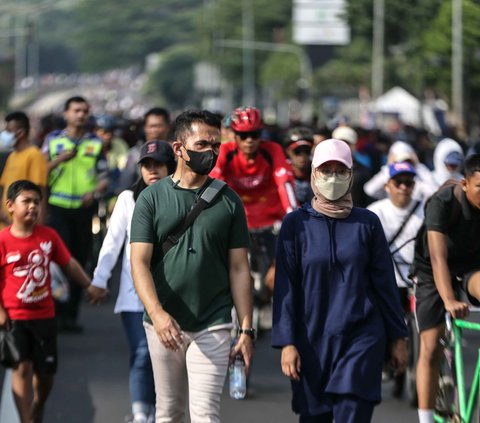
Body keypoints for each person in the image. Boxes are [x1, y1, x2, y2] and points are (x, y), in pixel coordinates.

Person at [272, 138, 408, 423]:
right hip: (310, 342)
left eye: (340, 170)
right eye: (326, 170)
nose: (333, 178)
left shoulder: (367, 223)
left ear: (350, 175)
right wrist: (287, 342)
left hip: (361, 339)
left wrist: (398, 337)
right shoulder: (295, 225)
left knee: (354, 413)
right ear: (313, 173)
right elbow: (286, 288)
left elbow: (385, 284)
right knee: (314, 416)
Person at [130, 110, 253, 423]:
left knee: (205, 415)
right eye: (202, 144)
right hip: (163, 324)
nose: (210, 152)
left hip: (213, 322)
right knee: (169, 412)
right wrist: (157, 315)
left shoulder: (229, 201)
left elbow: (239, 268)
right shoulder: (150, 199)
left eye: (216, 145)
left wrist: (247, 328)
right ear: (178, 149)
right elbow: (139, 263)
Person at [90, 140, 176, 423]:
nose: (152, 171)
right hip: (133, 294)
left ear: (170, 168)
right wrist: (100, 280)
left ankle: (160, 410)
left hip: (173, 294)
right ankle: (141, 412)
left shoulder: (184, 198)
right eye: (147, 165)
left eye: (158, 165)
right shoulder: (128, 199)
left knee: (165, 357)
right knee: (142, 352)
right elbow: (112, 243)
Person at [0, 180, 98, 423]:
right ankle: (26, 420)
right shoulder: (2, 240)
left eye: (36, 202)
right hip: (14, 318)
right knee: (21, 368)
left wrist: (90, 285)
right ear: (10, 206)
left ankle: (38, 405)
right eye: (26, 202)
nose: (32, 207)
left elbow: (69, 264)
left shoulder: (48, 236)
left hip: (44, 316)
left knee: (45, 376)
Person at [411, 154, 480, 423]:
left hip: (471, 265)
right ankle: (426, 418)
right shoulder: (443, 202)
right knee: (431, 344)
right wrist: (449, 300)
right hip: (431, 268)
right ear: (464, 184)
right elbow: (438, 258)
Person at [210, 107, 297, 318]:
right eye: (243, 135)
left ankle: (267, 300)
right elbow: (214, 186)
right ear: (234, 135)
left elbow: (284, 183)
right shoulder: (225, 152)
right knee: (231, 273)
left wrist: (292, 215)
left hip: (271, 220)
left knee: (276, 276)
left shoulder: (272, 150)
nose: (249, 140)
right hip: (239, 221)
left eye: (255, 135)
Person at [43, 96, 109, 333]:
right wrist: (59, 160)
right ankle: (56, 313)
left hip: (84, 209)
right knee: (60, 261)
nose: (80, 114)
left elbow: (104, 177)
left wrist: (95, 192)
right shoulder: (52, 141)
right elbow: (40, 170)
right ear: (66, 114)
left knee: (79, 260)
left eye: (84, 110)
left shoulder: (96, 144)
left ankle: (70, 316)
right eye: (76, 110)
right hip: (58, 207)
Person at [367, 161, 425, 397]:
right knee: (379, 322)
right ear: (388, 185)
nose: (404, 188)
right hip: (386, 282)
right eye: (398, 182)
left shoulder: (424, 210)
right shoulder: (374, 212)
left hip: (417, 280)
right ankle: (384, 361)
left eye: (409, 183)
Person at [0, 111, 48, 229]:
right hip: (6, 225)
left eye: (8, 131)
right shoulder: (12, 156)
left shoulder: (34, 155)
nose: (4, 135)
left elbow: (41, 191)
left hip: (24, 227)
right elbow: (5, 187)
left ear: (20, 133)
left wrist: (38, 226)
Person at [118, 107, 171, 192]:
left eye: (159, 126)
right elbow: (126, 181)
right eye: (151, 126)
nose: (155, 130)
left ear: (168, 127)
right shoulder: (135, 154)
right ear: (145, 128)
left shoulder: (177, 152)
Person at [364, 141, 437, 202]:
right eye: (400, 162)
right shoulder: (388, 175)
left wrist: (417, 166)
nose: (403, 166)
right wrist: (390, 168)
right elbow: (369, 190)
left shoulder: (417, 175)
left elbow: (434, 192)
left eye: (406, 161)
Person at [331, 125, 375, 207]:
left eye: (347, 143)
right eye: (340, 143)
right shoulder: (322, 168)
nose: (343, 146)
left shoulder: (363, 172)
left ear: (354, 146)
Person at [283, 127, 314, 205]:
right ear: (288, 152)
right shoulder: (280, 172)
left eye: (306, 151)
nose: (302, 156)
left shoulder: (318, 171)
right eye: (297, 151)